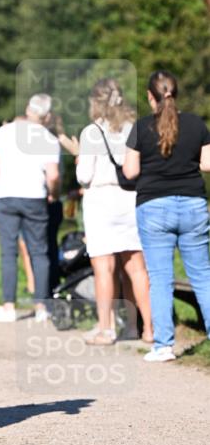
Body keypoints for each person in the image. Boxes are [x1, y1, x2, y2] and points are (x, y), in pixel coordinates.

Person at [123, 71, 210, 362]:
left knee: (160, 278)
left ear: (151, 97)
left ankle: (163, 346)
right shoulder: (196, 123)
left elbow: (130, 171)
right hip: (193, 205)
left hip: (153, 207)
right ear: (176, 93)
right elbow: (207, 164)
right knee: (203, 276)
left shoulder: (140, 127)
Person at [75, 79, 153, 345]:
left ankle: (106, 330)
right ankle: (145, 328)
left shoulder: (91, 132)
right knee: (136, 267)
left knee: (104, 268)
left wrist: (78, 159)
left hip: (101, 202)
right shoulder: (134, 128)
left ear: (95, 102)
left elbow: (84, 176)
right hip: (131, 199)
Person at [0, 94, 60, 323]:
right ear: (47, 116)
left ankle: (8, 307)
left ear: (28, 109)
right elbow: (53, 175)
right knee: (39, 252)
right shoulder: (48, 138)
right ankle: (41, 307)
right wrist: (53, 193)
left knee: (9, 252)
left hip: (6, 196)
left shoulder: (4, 131)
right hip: (35, 197)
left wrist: (4, 180)